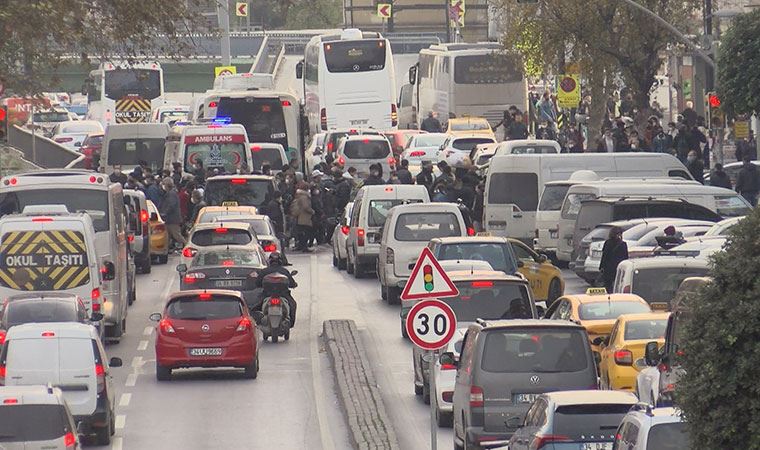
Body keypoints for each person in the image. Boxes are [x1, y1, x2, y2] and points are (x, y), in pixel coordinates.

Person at [255, 252, 297, 326]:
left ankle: (257, 323)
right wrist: (294, 284)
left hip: (267, 295)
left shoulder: (264, 271)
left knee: (255, 307)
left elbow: (257, 283)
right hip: (283, 295)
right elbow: (292, 283)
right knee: (293, 305)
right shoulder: (284, 271)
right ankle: (291, 324)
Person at [158, 178, 185, 251]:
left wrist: (164, 213)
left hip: (172, 219)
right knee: (167, 236)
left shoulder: (171, 194)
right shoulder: (170, 193)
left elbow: (171, 205)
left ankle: (186, 245)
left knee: (176, 235)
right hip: (170, 219)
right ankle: (165, 249)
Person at [599, 226, 628, 293]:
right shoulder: (623, 244)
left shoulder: (607, 243)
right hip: (618, 268)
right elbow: (625, 257)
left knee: (608, 286)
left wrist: (601, 267)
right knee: (618, 285)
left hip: (608, 269)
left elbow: (604, 256)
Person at [290, 182, 314, 251]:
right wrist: (312, 211)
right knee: (306, 233)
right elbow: (306, 207)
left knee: (301, 233)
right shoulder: (304, 196)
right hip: (304, 217)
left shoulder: (299, 195)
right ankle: (304, 247)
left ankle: (300, 246)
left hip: (300, 217)